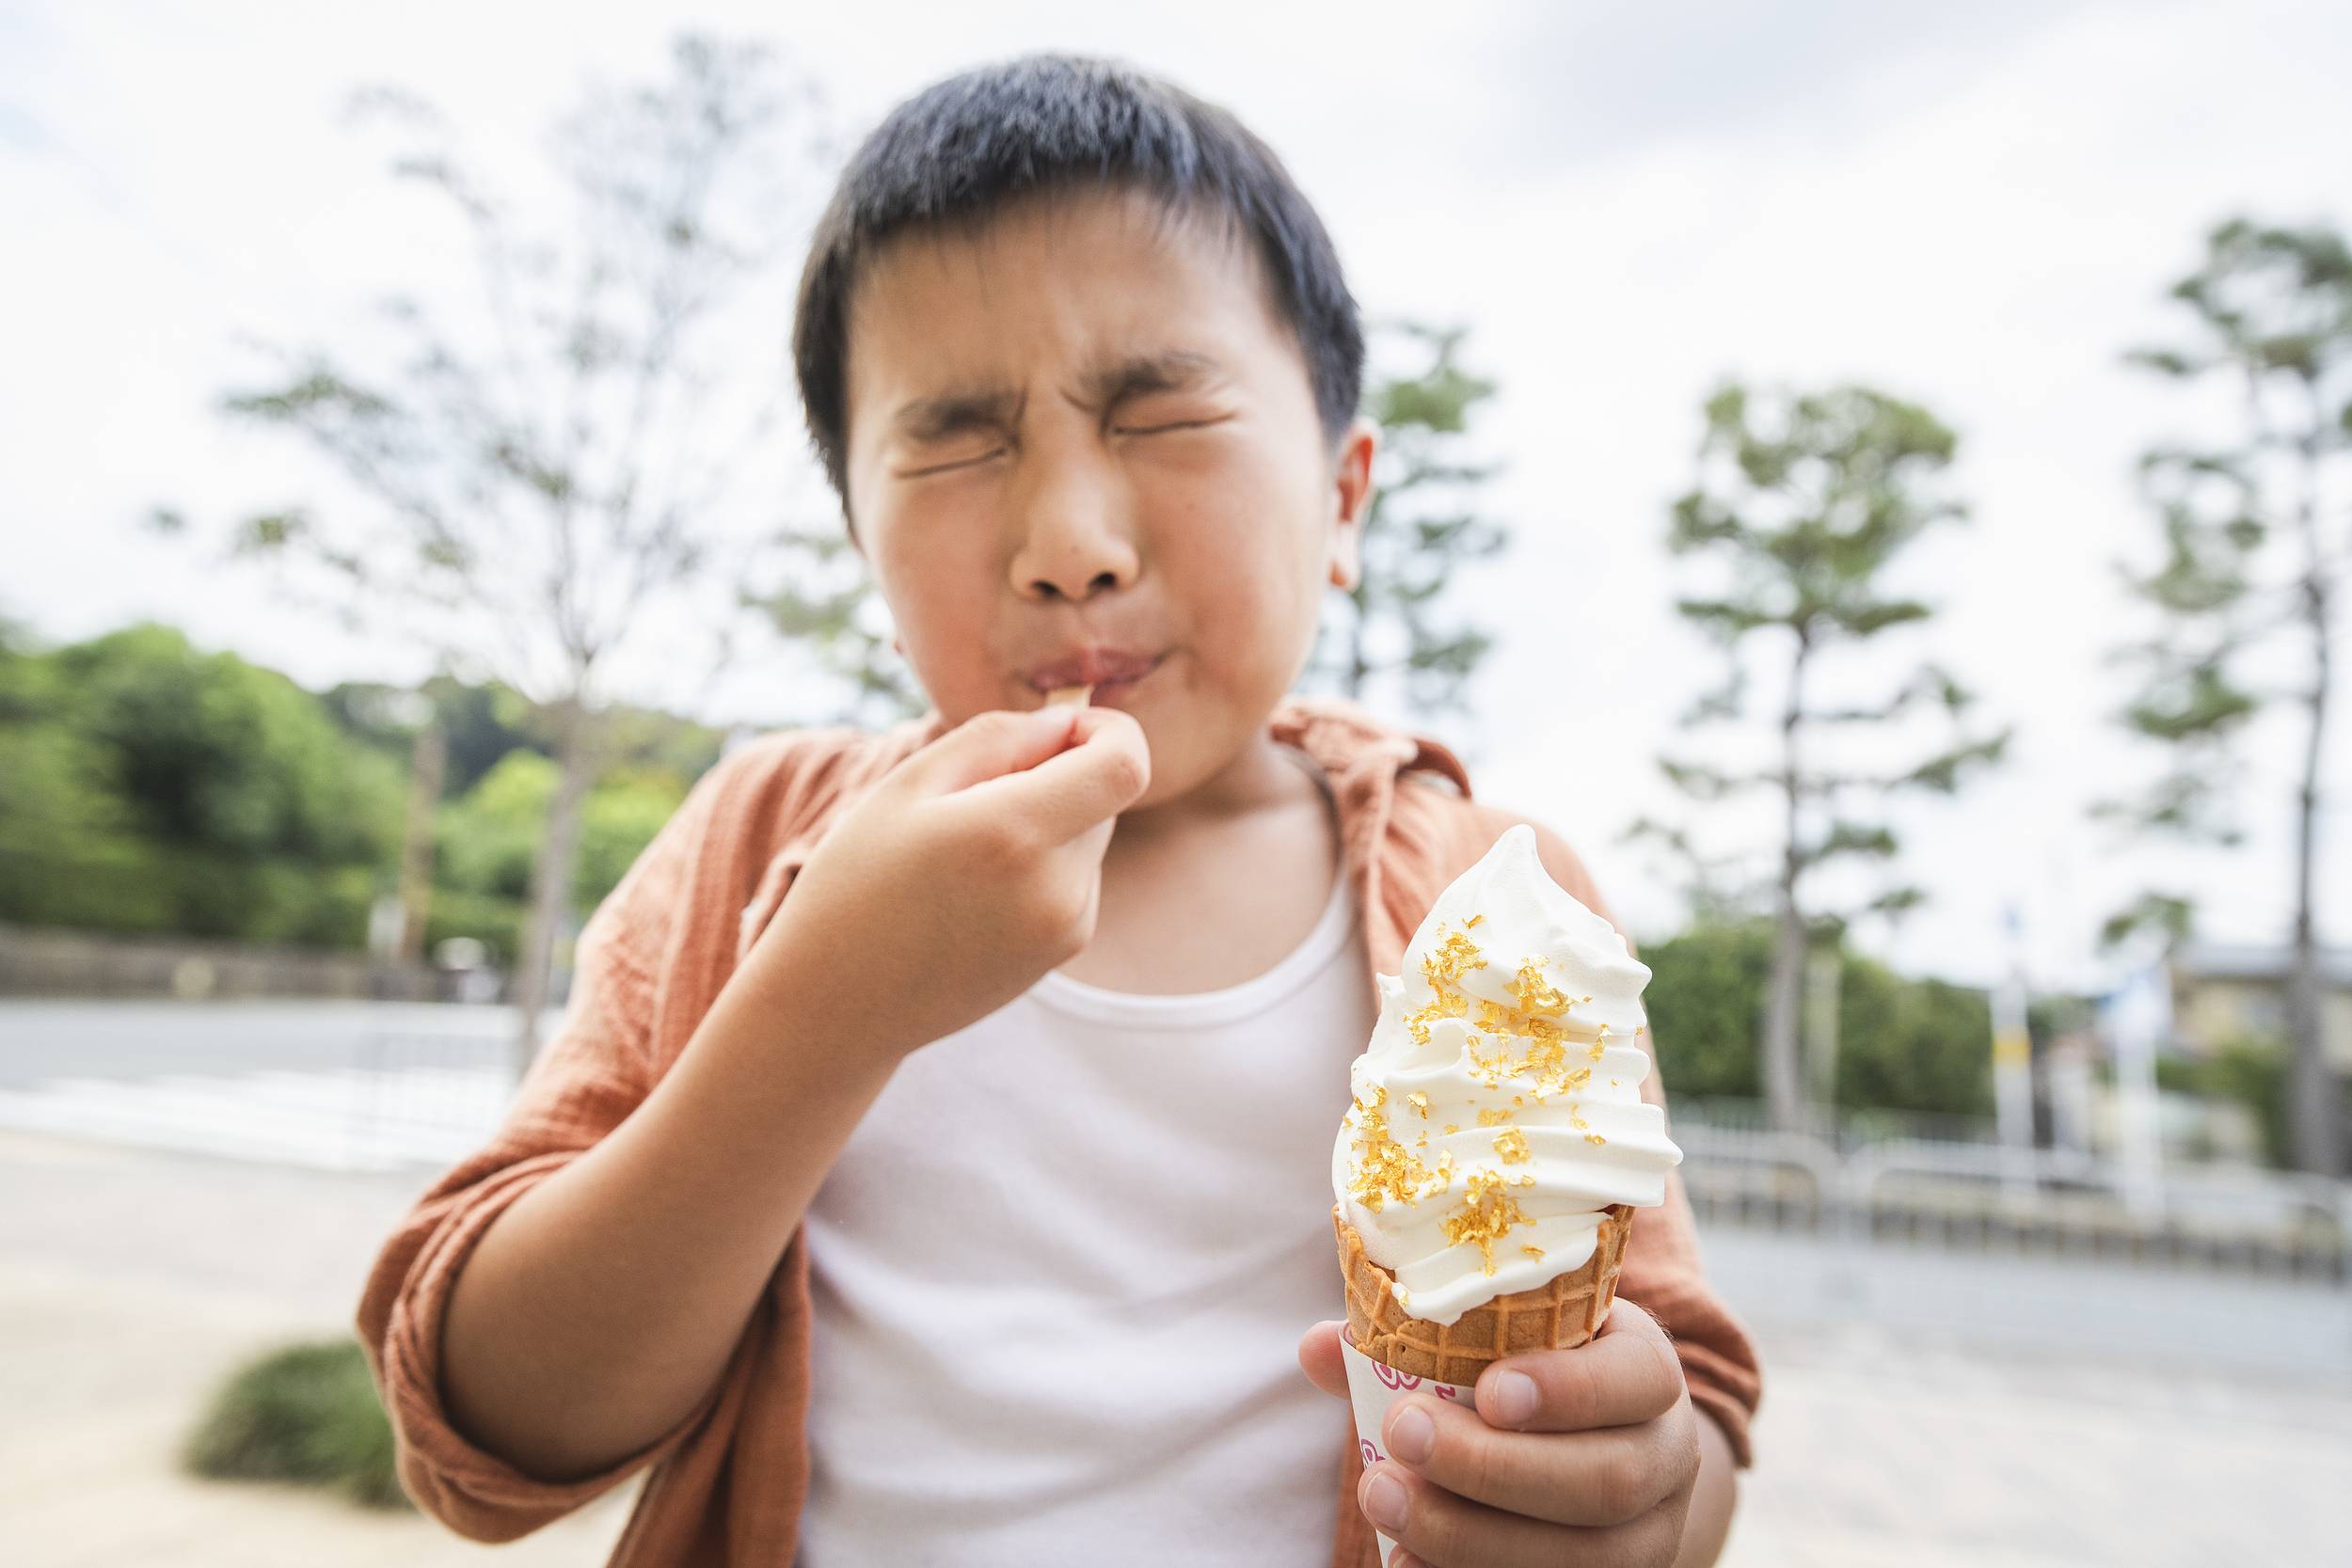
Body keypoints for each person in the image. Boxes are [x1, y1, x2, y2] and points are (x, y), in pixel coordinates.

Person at [357, 53, 1762, 1568]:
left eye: (1162, 413)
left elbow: (1686, 1410)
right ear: (860, 535)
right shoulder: (764, 834)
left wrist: (1641, 1499)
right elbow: (484, 1428)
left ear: (1344, 499)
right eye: (956, 440)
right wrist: (824, 1002)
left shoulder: (1502, 899)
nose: (1070, 544)